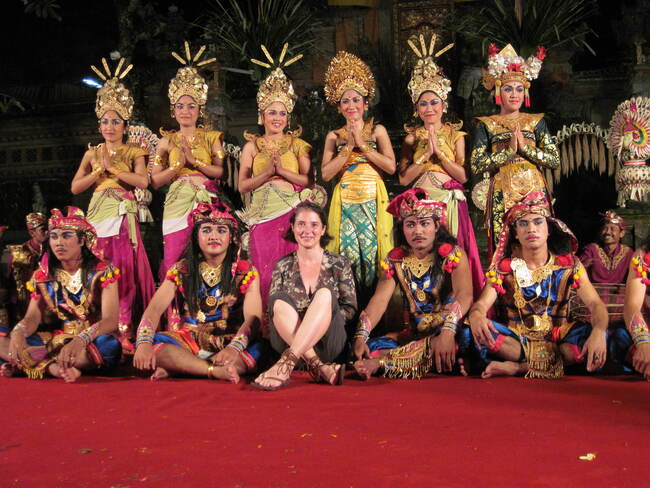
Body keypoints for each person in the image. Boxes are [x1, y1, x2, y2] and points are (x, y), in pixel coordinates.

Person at [467, 192, 608, 378]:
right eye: (523, 224)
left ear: (549, 229)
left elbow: (595, 305)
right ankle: (545, 365)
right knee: (468, 330)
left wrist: (598, 331)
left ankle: (518, 368)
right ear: (515, 233)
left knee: (600, 335)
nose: (531, 229)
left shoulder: (570, 265)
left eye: (538, 222)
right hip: (516, 341)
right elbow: (481, 304)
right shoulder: (503, 269)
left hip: (558, 338)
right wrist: (476, 315)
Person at [71, 57, 155, 348]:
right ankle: (95, 323)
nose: (109, 126)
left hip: (121, 216)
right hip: (96, 215)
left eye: (115, 121)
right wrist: (98, 170)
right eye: (105, 121)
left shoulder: (135, 150)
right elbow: (75, 187)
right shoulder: (92, 153)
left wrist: (116, 170)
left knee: (123, 268)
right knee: (98, 267)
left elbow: (143, 182)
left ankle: (125, 326)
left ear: (124, 123)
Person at [133, 201, 264, 383]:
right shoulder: (182, 269)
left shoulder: (246, 271)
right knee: (154, 344)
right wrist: (144, 343)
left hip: (229, 340)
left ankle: (183, 367)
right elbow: (154, 310)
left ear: (232, 237)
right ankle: (212, 370)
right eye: (206, 230)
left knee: (259, 349)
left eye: (221, 230)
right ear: (196, 237)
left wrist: (234, 348)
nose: (214, 236)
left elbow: (253, 319)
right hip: (190, 340)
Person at [351, 188, 473, 379]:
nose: (418, 231)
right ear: (402, 228)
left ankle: (382, 363)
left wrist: (448, 333)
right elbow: (379, 301)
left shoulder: (452, 254)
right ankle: (426, 361)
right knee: (373, 347)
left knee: (466, 340)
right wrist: (360, 337)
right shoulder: (395, 260)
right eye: (410, 225)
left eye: (424, 224)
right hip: (415, 335)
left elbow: (465, 295)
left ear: (436, 226)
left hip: (448, 330)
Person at [399, 34, 484, 297]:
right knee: (425, 255)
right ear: (416, 108)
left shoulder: (456, 135)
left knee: (452, 252)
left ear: (443, 105)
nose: (429, 108)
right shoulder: (412, 138)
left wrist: (441, 156)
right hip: (421, 201)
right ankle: (424, 301)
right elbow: (403, 180)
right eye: (423, 103)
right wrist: (425, 157)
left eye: (434, 102)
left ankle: (456, 301)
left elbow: (463, 176)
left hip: (448, 201)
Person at [238, 44, 323, 305]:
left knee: (293, 264)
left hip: (290, 212)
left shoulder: (298, 144)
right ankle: (264, 320)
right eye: (272, 112)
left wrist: (281, 171)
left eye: (282, 113)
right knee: (264, 266)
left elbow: (309, 181)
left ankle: (298, 315)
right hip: (263, 212)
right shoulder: (252, 146)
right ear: (261, 115)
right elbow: (242, 185)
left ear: (288, 117)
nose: (277, 118)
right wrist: (267, 174)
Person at [0, 207, 121, 381]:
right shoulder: (42, 276)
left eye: (66, 236)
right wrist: (19, 333)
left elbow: (110, 320)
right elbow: (33, 317)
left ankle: (28, 363)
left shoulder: (103, 271)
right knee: (6, 336)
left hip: (91, 342)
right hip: (56, 340)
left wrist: (80, 340)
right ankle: (55, 368)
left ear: (82, 241)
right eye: (54, 237)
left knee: (110, 346)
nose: (58, 243)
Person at [252, 201, 357, 390]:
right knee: (277, 300)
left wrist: (317, 320)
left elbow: (349, 308)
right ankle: (318, 367)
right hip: (288, 338)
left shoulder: (339, 263)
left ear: (323, 229)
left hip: (329, 345)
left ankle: (285, 364)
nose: (307, 230)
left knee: (325, 294)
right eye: (301, 224)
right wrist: (300, 328)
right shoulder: (282, 265)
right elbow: (274, 311)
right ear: (292, 228)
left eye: (314, 224)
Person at [470, 44, 559, 255]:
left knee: (537, 238)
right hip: (502, 189)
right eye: (508, 89)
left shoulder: (535, 121)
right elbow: (476, 164)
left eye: (520, 89)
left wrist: (525, 149)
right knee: (506, 243)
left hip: (533, 187)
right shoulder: (486, 124)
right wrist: (508, 152)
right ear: (499, 90)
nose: (514, 95)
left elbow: (554, 159)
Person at [321, 51, 395, 304]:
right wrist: (347, 147)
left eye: (356, 99)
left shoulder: (377, 130)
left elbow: (391, 167)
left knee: (372, 255)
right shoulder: (334, 136)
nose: (351, 105)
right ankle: (349, 310)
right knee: (348, 255)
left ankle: (375, 312)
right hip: (346, 203)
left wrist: (362, 146)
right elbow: (326, 173)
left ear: (365, 102)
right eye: (345, 101)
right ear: (338, 106)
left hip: (373, 200)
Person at [151, 42, 226, 279]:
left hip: (204, 199)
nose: (186, 111)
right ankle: (174, 311)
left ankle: (206, 305)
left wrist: (193, 161)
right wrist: (176, 166)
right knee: (175, 254)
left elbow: (219, 172)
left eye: (191, 106)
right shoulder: (165, 141)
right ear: (173, 110)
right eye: (180, 106)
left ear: (199, 109)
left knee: (205, 255)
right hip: (176, 202)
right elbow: (154, 181)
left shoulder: (212, 137)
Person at [609, 240, 650, 380]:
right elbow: (632, 306)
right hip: (646, 333)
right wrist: (644, 343)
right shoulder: (643, 256)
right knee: (620, 338)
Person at [6, 213, 48, 322]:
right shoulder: (18, 252)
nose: (47, 232)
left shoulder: (54, 248)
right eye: (43, 229)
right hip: (24, 301)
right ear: (32, 232)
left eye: (48, 228)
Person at [579, 210, 633, 284]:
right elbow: (578, 273)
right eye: (604, 228)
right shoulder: (591, 250)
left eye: (612, 229)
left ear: (621, 233)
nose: (607, 232)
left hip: (619, 294)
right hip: (594, 293)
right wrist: (583, 266)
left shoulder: (628, 253)